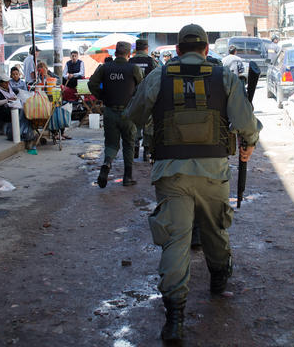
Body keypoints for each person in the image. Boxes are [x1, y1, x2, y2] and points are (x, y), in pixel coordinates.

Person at [124, 24, 261, 343]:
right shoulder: (223, 76)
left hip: (171, 171)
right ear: (206, 50)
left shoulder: (159, 75)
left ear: (177, 50)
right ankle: (218, 279)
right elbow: (245, 121)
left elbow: (134, 115)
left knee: (175, 239)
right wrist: (249, 142)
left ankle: (174, 319)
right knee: (215, 228)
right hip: (213, 169)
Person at [88, 41, 143, 188]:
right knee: (129, 144)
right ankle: (127, 177)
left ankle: (107, 163)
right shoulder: (133, 68)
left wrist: (102, 96)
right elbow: (142, 87)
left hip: (110, 111)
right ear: (129, 54)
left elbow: (92, 84)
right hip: (128, 112)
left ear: (115, 53)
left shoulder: (105, 68)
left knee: (111, 144)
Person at [129, 39, 159, 161]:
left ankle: (135, 148)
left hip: (134, 97)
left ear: (136, 49)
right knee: (148, 124)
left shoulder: (130, 61)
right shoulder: (151, 61)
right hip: (148, 97)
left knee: (135, 123)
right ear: (147, 48)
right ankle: (146, 150)